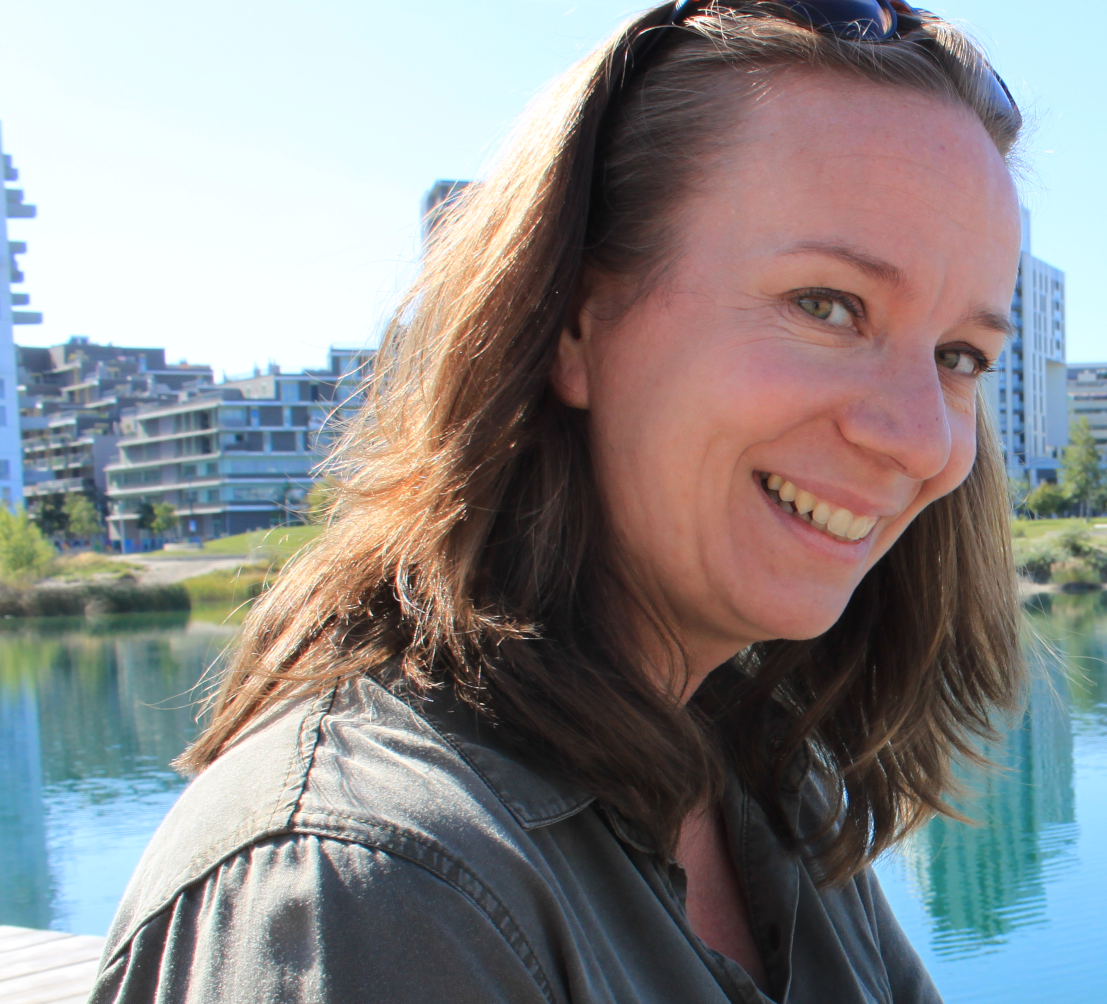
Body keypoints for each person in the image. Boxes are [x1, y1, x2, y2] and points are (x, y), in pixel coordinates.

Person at [90, 2, 1025, 1001]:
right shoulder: (369, 885)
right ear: (574, 320)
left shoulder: (761, 789)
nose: (922, 439)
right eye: (826, 306)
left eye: (960, 356)